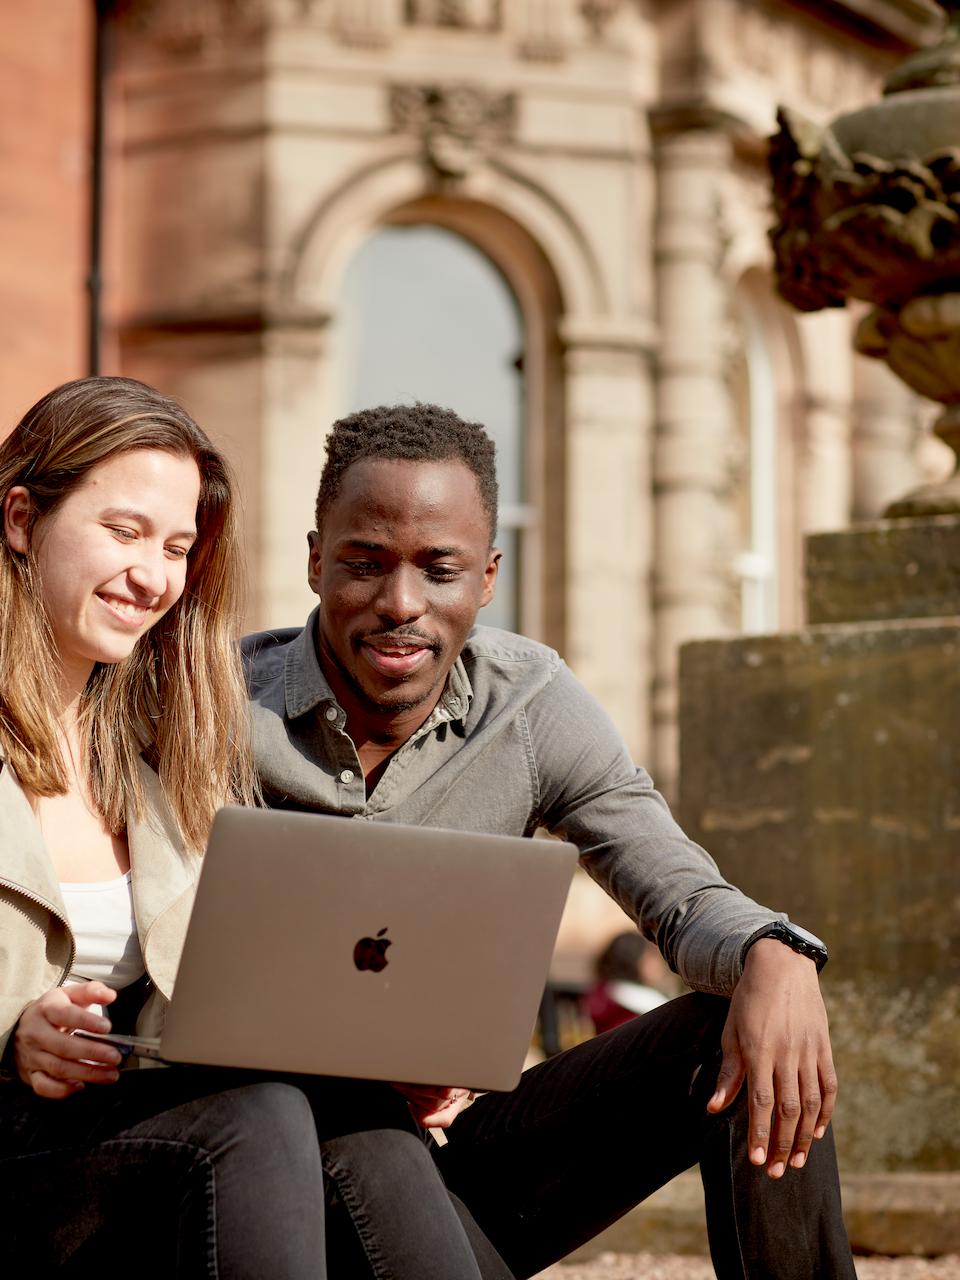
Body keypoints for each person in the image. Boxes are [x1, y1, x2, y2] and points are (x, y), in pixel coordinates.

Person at [244, 401, 859, 1280]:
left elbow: (676, 885)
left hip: (463, 1157)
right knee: (346, 1130)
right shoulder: (217, 707)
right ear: (314, 560)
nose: (401, 604)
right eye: (364, 565)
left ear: (488, 577)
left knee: (741, 1029)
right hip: (275, 1171)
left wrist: (774, 951)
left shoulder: (532, 705)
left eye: (440, 570)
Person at [0, 378, 503, 1280]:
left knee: (358, 1119)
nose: (152, 574)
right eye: (122, 531)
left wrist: (369, 1052)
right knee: (259, 1118)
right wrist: (11, 1034)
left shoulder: (157, 757)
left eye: (177, 547)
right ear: (22, 519)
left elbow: (205, 1011)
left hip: (121, 1143)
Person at [583, 931, 673, 1034]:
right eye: (650, 956)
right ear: (633, 961)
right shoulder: (633, 1009)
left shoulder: (603, 993)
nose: (657, 963)